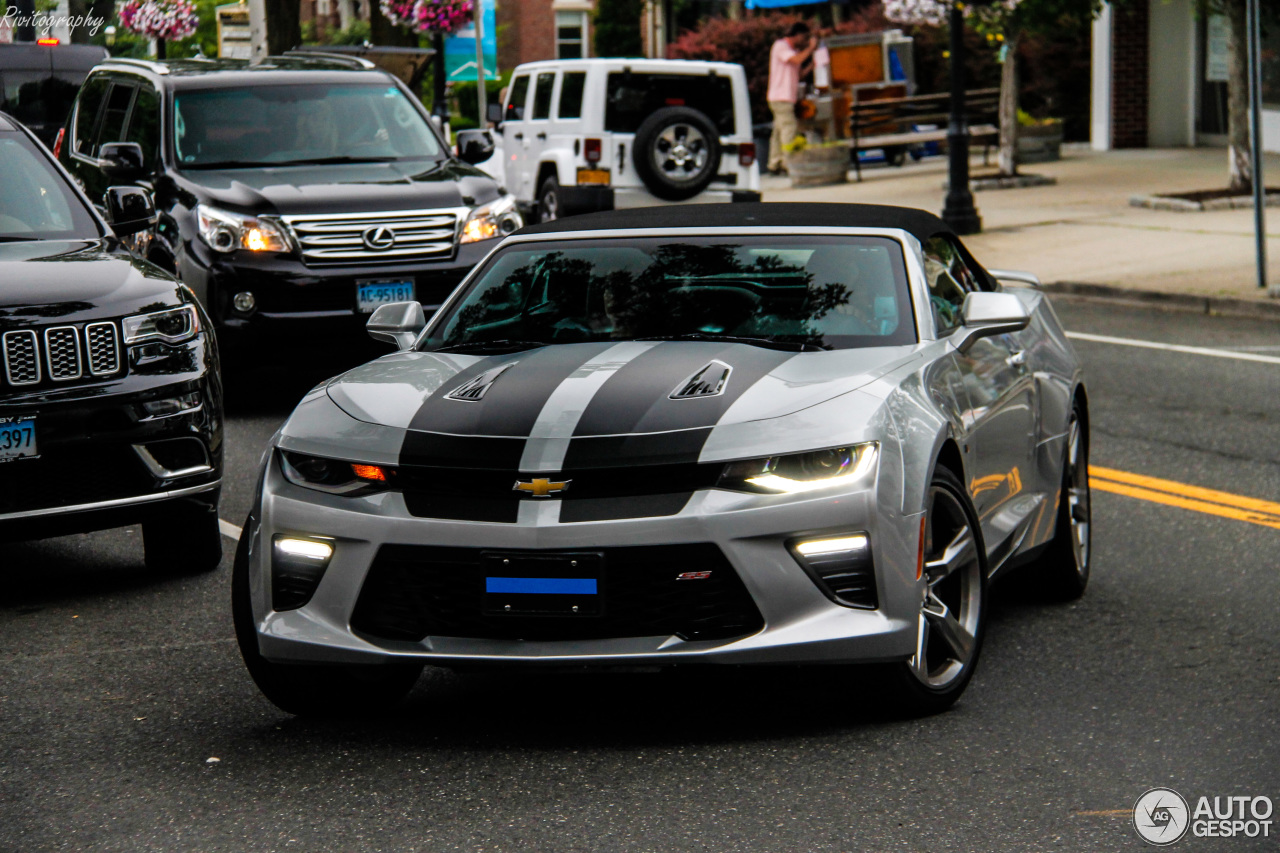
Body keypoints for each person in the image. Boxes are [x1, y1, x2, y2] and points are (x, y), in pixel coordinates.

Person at [766, 21, 817, 175]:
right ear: (797, 35)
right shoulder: (781, 46)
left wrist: (812, 65)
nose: (805, 41)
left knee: (778, 132)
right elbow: (796, 60)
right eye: (804, 37)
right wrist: (811, 48)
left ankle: (775, 163)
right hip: (781, 96)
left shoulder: (793, 51)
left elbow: (798, 73)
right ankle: (788, 163)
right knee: (789, 128)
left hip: (784, 96)